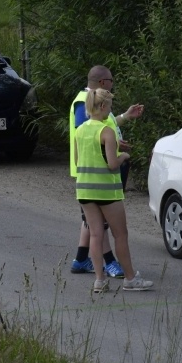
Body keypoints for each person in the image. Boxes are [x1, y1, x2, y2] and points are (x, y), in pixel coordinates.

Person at [74, 88, 153, 293]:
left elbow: (77, 160)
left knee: (95, 235)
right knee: (120, 234)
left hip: (84, 189)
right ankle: (130, 278)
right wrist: (123, 156)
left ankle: (99, 280)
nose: (110, 111)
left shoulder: (80, 130)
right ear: (102, 106)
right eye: (109, 107)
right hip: (106, 190)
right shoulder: (106, 131)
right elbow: (112, 164)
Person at [69, 65, 144, 277]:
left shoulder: (95, 104)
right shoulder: (85, 103)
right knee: (107, 228)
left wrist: (125, 117)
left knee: (93, 227)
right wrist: (120, 151)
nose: (113, 84)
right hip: (99, 176)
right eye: (111, 80)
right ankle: (112, 264)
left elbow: (101, 125)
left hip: (88, 179)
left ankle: (85, 263)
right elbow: (95, 136)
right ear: (103, 83)